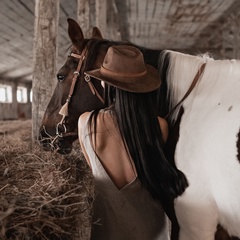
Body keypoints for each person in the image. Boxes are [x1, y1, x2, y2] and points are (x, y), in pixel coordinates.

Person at [78, 45, 188, 240]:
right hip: (153, 232)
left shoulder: (86, 123)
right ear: (142, 87)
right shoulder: (160, 126)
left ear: (107, 84)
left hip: (106, 232)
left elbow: (92, 166)